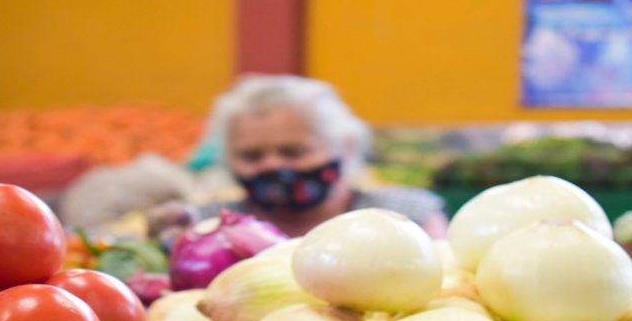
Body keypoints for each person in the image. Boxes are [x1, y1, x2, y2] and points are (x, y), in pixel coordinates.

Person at [184, 75, 448, 238]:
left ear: (344, 147)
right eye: (252, 156)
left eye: (293, 152)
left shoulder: (405, 216)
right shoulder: (207, 227)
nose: (273, 165)